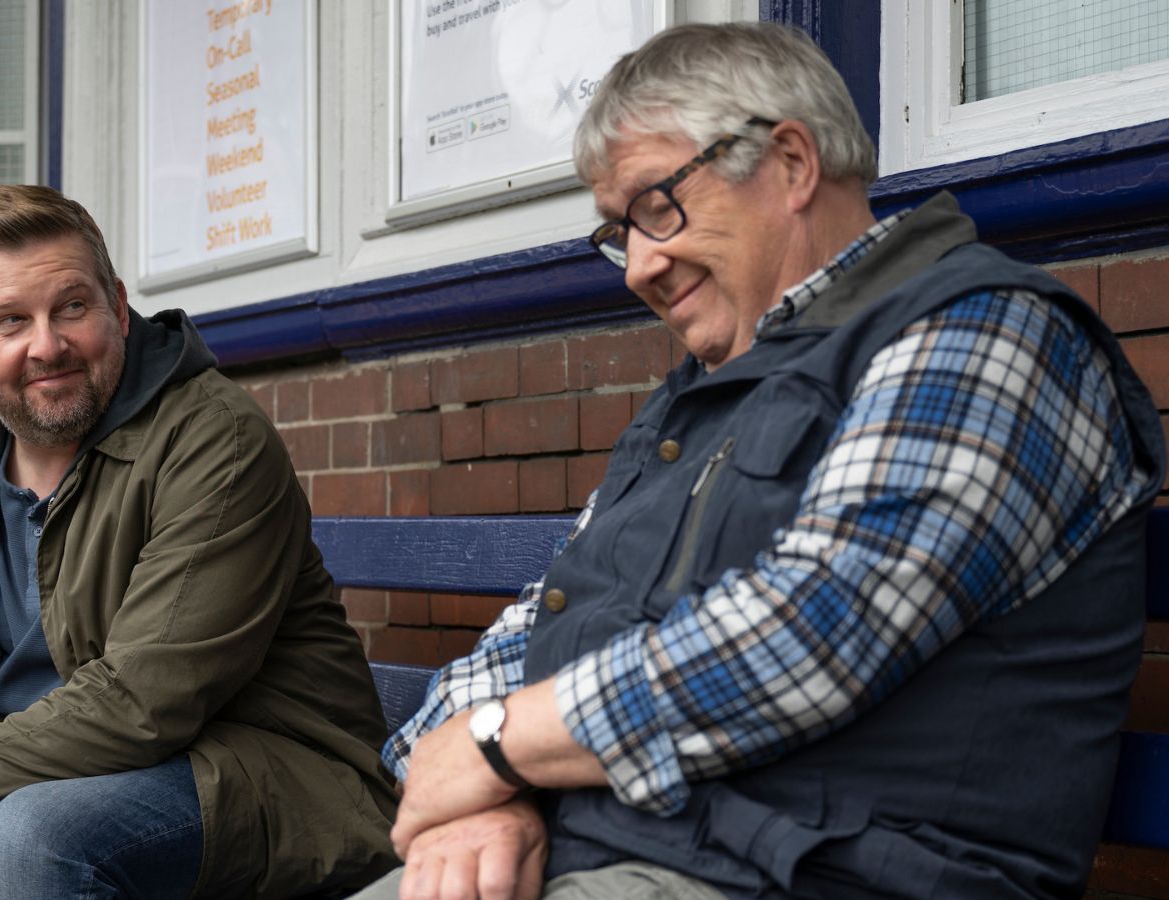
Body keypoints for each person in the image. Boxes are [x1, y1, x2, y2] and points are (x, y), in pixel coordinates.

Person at [361, 21, 1165, 900]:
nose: (636, 266)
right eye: (618, 233)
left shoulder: (988, 333)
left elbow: (816, 628)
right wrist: (488, 796)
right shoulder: (694, 402)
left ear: (789, 162)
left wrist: (496, 749)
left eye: (656, 207)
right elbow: (527, 633)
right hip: (610, 859)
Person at [0, 184, 398, 900]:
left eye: (72, 308)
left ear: (118, 307)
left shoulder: (214, 438)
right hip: (55, 765)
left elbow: (143, 700)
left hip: (264, 774)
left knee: (37, 833)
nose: (47, 345)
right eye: (9, 321)